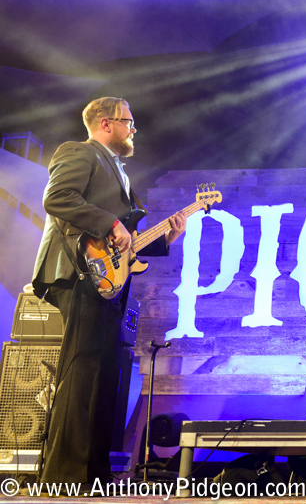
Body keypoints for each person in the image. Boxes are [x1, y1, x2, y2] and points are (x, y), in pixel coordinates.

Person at [31, 97, 187, 486]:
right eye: (128, 121)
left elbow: (126, 240)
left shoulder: (120, 174)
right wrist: (109, 222)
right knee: (82, 373)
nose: (134, 129)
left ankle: (93, 475)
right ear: (105, 123)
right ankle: (64, 476)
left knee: (104, 379)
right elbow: (57, 198)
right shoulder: (79, 152)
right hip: (80, 273)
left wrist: (165, 238)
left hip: (109, 284)